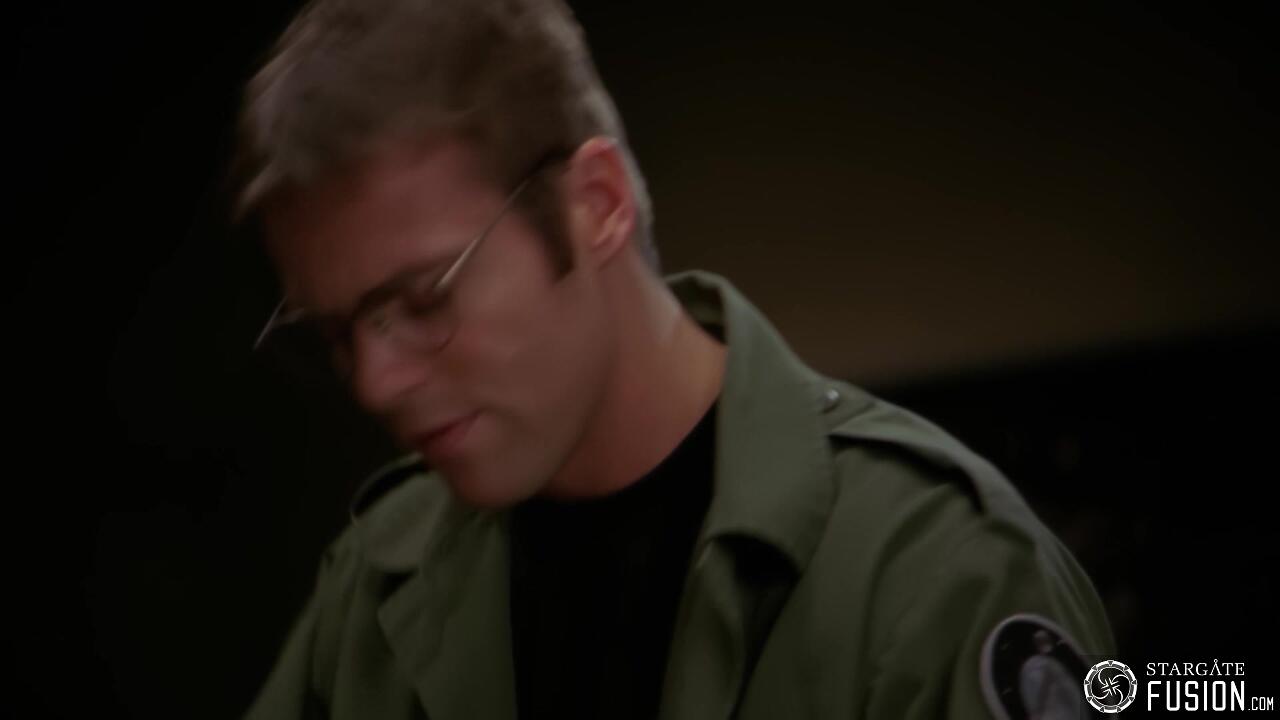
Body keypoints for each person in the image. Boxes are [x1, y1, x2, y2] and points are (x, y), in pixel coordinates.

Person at [235, 0, 1115, 718]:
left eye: (426, 299)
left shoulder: (936, 575)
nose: (376, 382)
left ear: (597, 205)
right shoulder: (379, 582)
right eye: (337, 333)